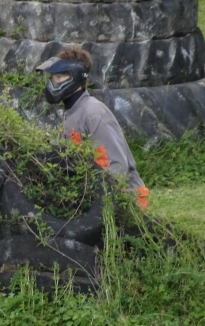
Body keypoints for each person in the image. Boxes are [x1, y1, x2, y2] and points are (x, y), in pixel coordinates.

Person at [36, 46, 150, 209]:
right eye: (53, 77)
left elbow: (117, 167)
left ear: (75, 76)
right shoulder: (72, 113)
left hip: (128, 201)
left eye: (59, 77)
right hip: (95, 198)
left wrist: (94, 205)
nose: (53, 82)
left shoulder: (93, 112)